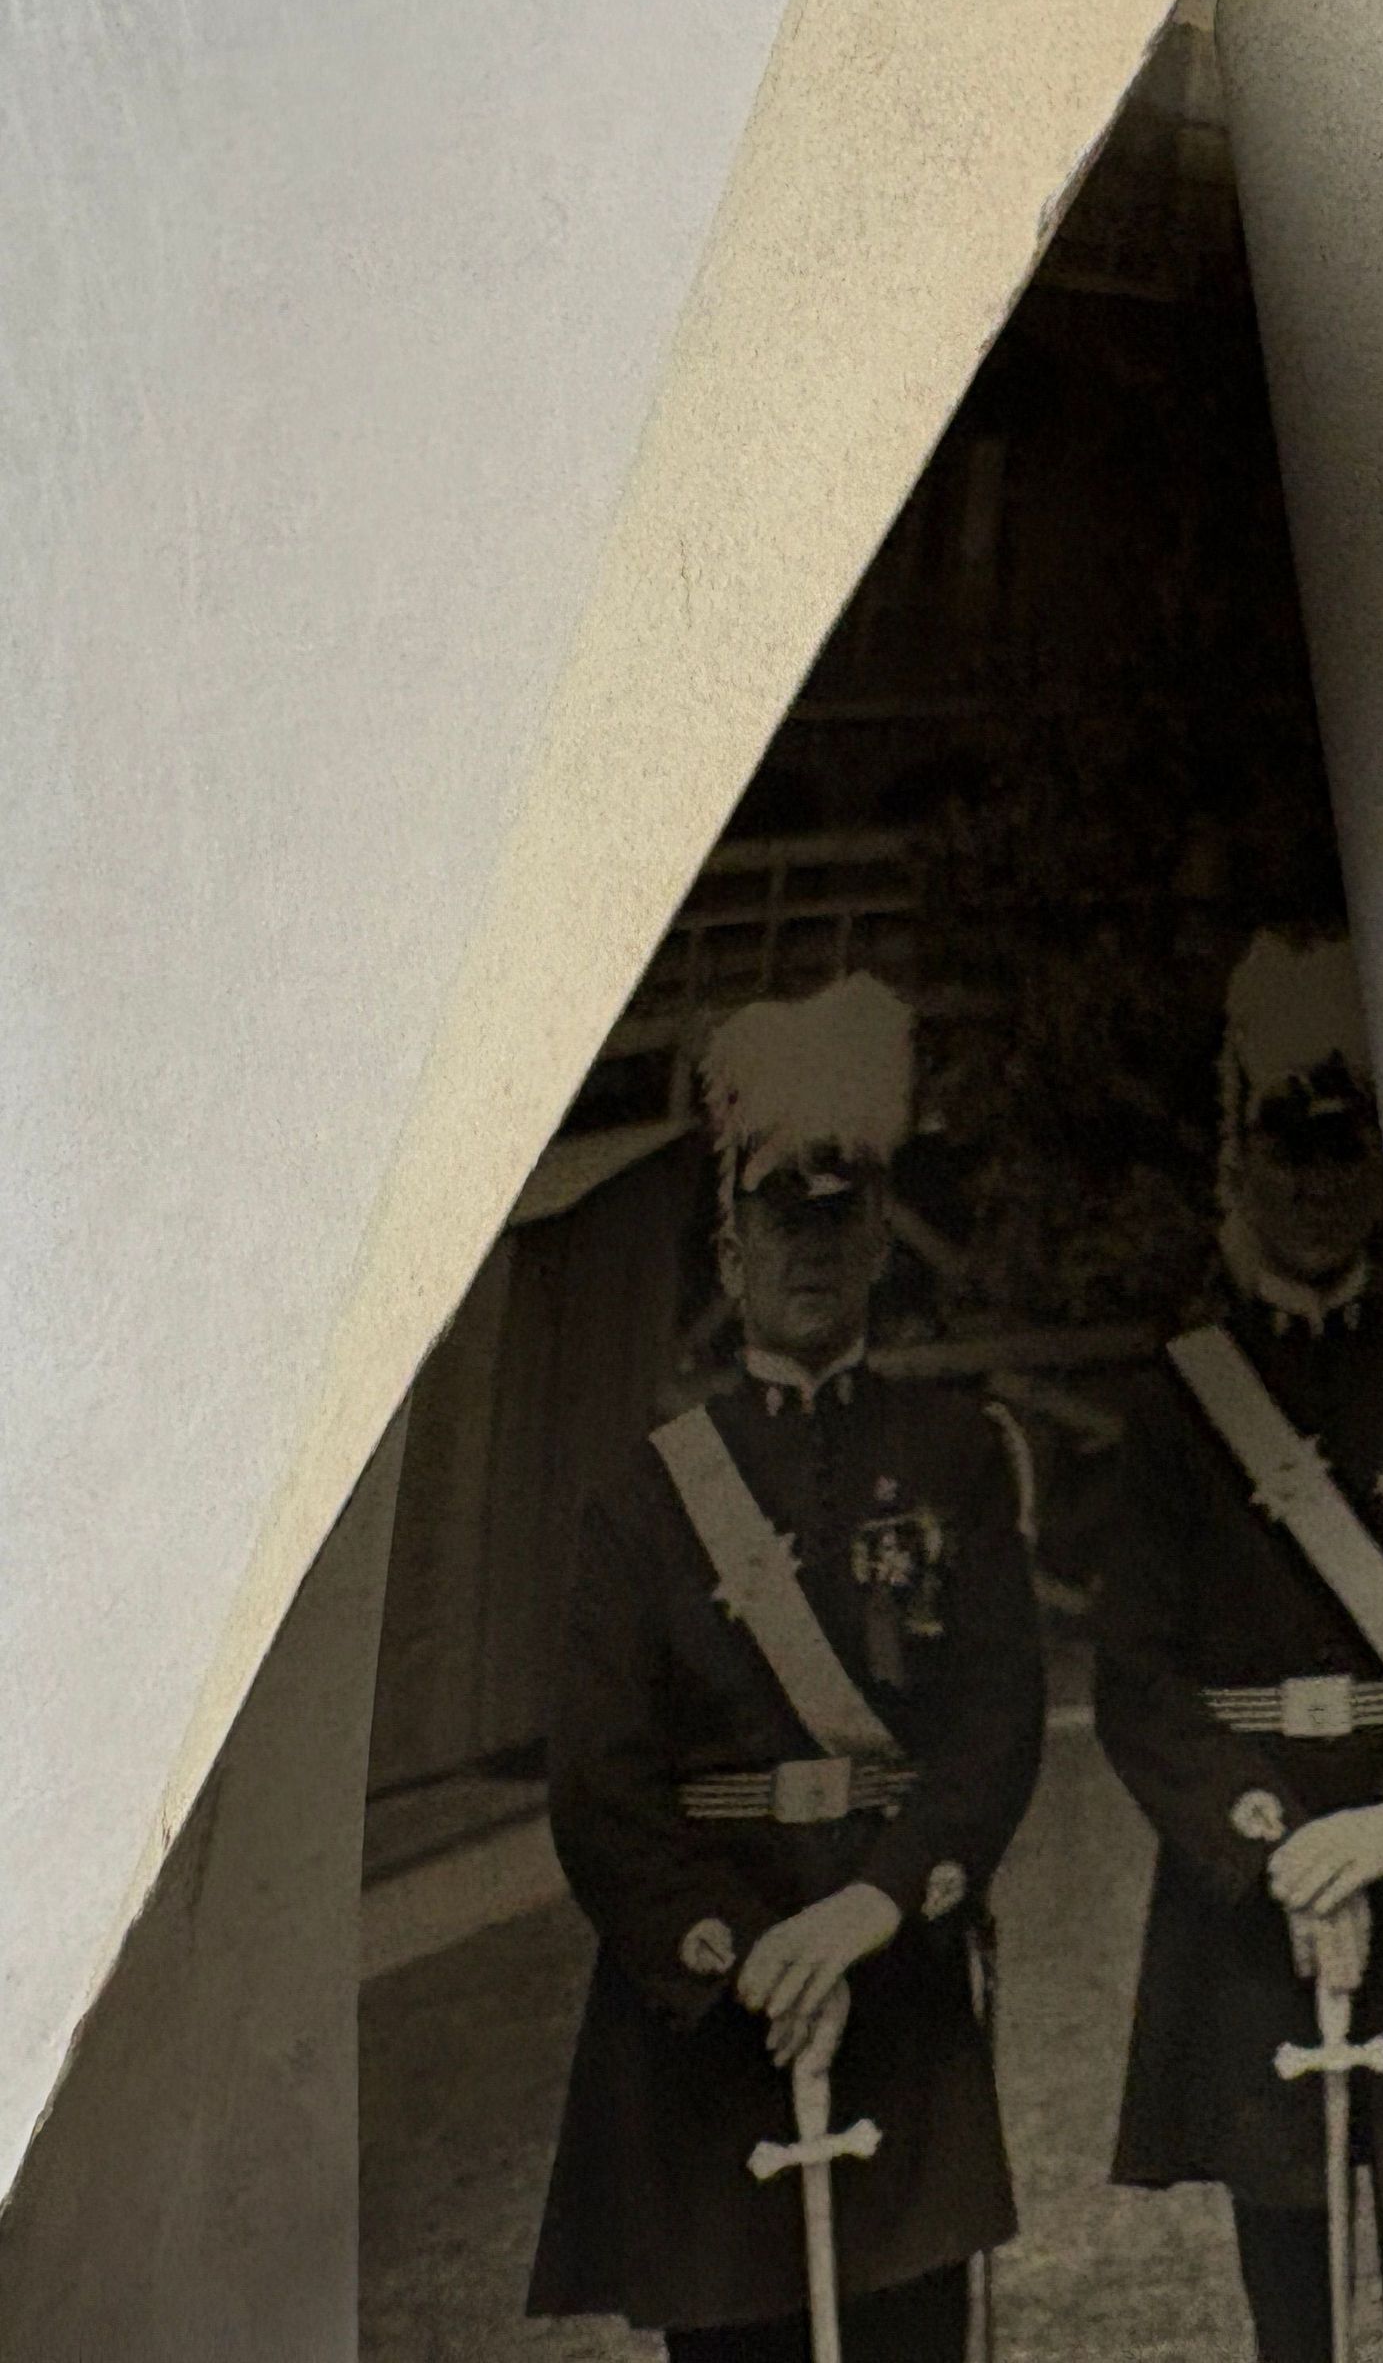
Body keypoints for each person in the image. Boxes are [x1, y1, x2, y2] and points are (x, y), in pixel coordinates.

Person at [528, 972, 1045, 2362]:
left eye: (840, 1212)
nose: (809, 1245)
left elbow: (996, 1727)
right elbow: (599, 1786)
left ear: (878, 1234)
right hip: (715, 2017)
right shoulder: (646, 1499)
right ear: (730, 1240)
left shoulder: (954, 1457)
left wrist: (876, 1904)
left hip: (896, 1977)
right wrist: (742, 1953)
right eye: (779, 1214)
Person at [1095, 928, 1383, 2363]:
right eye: (1292, 1143)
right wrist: (1276, 1843)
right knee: (1297, 2323)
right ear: (1242, 1153)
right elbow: (1136, 1682)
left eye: (1348, 1145)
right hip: (1253, 1892)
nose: (1322, 1178)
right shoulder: (1178, 1403)